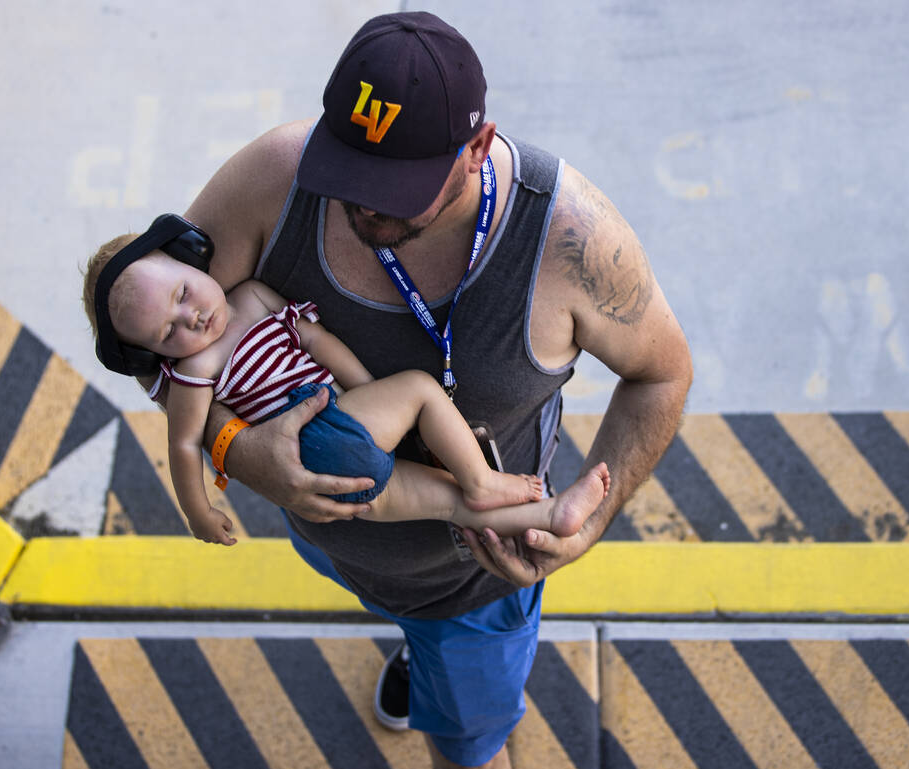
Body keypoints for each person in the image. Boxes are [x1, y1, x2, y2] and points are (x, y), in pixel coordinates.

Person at [172, 11, 691, 768]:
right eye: (348, 173)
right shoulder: (273, 180)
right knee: (363, 589)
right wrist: (236, 450)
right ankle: (410, 645)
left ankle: (432, 661)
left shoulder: (570, 239)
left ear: (479, 147)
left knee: (464, 747)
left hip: (471, 588)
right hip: (327, 539)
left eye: (396, 188)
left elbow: (663, 373)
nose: (363, 207)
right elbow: (156, 339)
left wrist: (587, 522)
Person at [81, 224, 611, 545]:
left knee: (447, 505)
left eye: (182, 294)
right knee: (422, 390)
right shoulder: (194, 372)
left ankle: (553, 514)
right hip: (319, 435)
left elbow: (317, 342)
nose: (190, 320)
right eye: (166, 332)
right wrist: (197, 512)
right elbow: (182, 441)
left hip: (332, 456)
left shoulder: (250, 297)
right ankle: (480, 476)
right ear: (153, 353)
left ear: (191, 259)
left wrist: (367, 397)